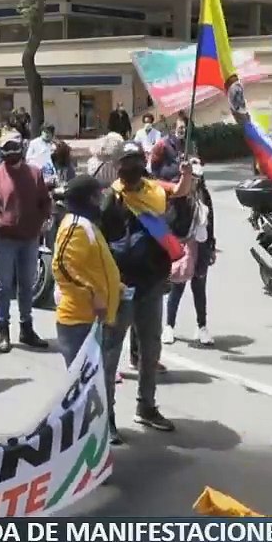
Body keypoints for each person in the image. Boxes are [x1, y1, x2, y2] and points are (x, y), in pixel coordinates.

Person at [99, 141, 194, 434]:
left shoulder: (155, 192)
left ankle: (146, 407)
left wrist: (186, 176)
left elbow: (179, 200)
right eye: (127, 163)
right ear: (117, 167)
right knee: (110, 354)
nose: (133, 168)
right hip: (120, 287)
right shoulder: (110, 199)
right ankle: (105, 419)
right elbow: (99, 244)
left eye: (137, 162)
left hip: (151, 284)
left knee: (150, 350)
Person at [0, 138, 53, 353]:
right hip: (5, 239)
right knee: (3, 287)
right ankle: (3, 330)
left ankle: (26, 329)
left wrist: (45, 218)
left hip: (30, 238)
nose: (10, 153)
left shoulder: (34, 173)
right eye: (6, 150)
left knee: (27, 286)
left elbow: (44, 201)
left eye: (14, 149)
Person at [53, 175, 122, 370]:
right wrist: (93, 294)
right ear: (89, 198)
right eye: (98, 196)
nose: (101, 200)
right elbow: (62, 267)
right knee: (81, 383)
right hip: (78, 320)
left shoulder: (86, 223)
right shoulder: (75, 226)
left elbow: (90, 265)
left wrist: (113, 286)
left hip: (90, 319)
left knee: (91, 382)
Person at [164, 172, 215, 346]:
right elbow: (171, 221)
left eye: (198, 178)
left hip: (201, 247)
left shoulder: (203, 194)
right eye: (192, 177)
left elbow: (211, 221)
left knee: (199, 288)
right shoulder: (177, 194)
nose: (195, 181)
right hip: (182, 245)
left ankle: (202, 327)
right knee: (177, 287)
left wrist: (211, 246)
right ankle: (169, 326)